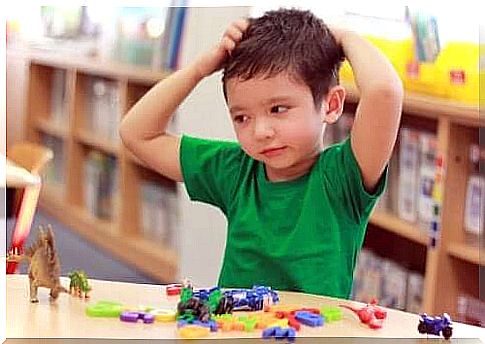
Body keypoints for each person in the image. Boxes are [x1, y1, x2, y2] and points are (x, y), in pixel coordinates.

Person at [119, 8, 403, 298]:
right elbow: (137, 133)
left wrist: (341, 37)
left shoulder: (344, 176)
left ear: (330, 105)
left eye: (278, 109)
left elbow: (385, 92)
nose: (260, 132)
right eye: (242, 117)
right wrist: (198, 70)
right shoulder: (236, 170)